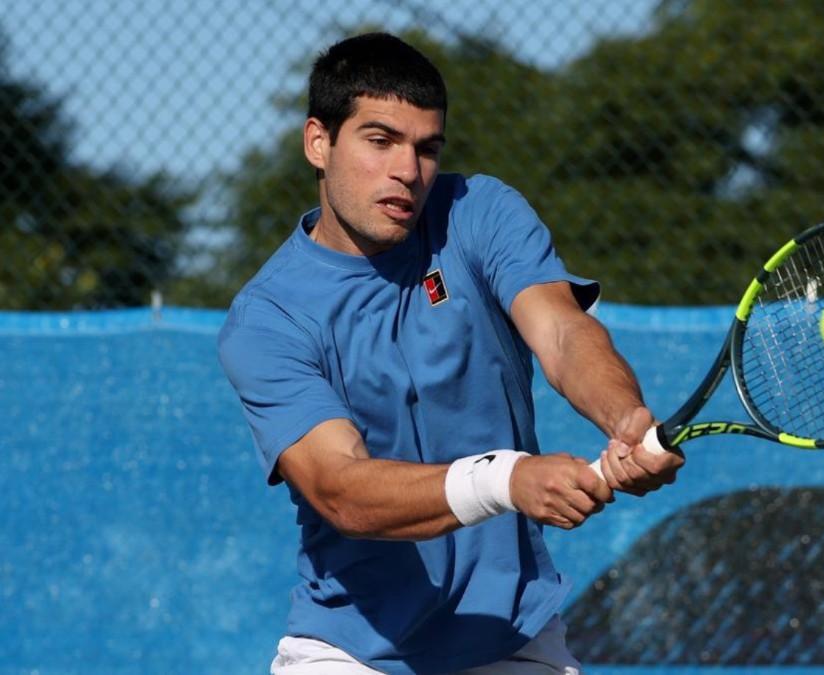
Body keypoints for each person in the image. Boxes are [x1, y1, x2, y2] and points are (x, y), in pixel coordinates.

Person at [217, 32, 683, 674]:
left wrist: (624, 416)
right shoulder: (268, 318)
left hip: (510, 636)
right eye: (380, 141)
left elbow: (561, 331)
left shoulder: (478, 212)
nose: (407, 172)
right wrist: (505, 479)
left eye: (426, 148)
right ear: (318, 143)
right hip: (352, 652)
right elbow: (341, 490)